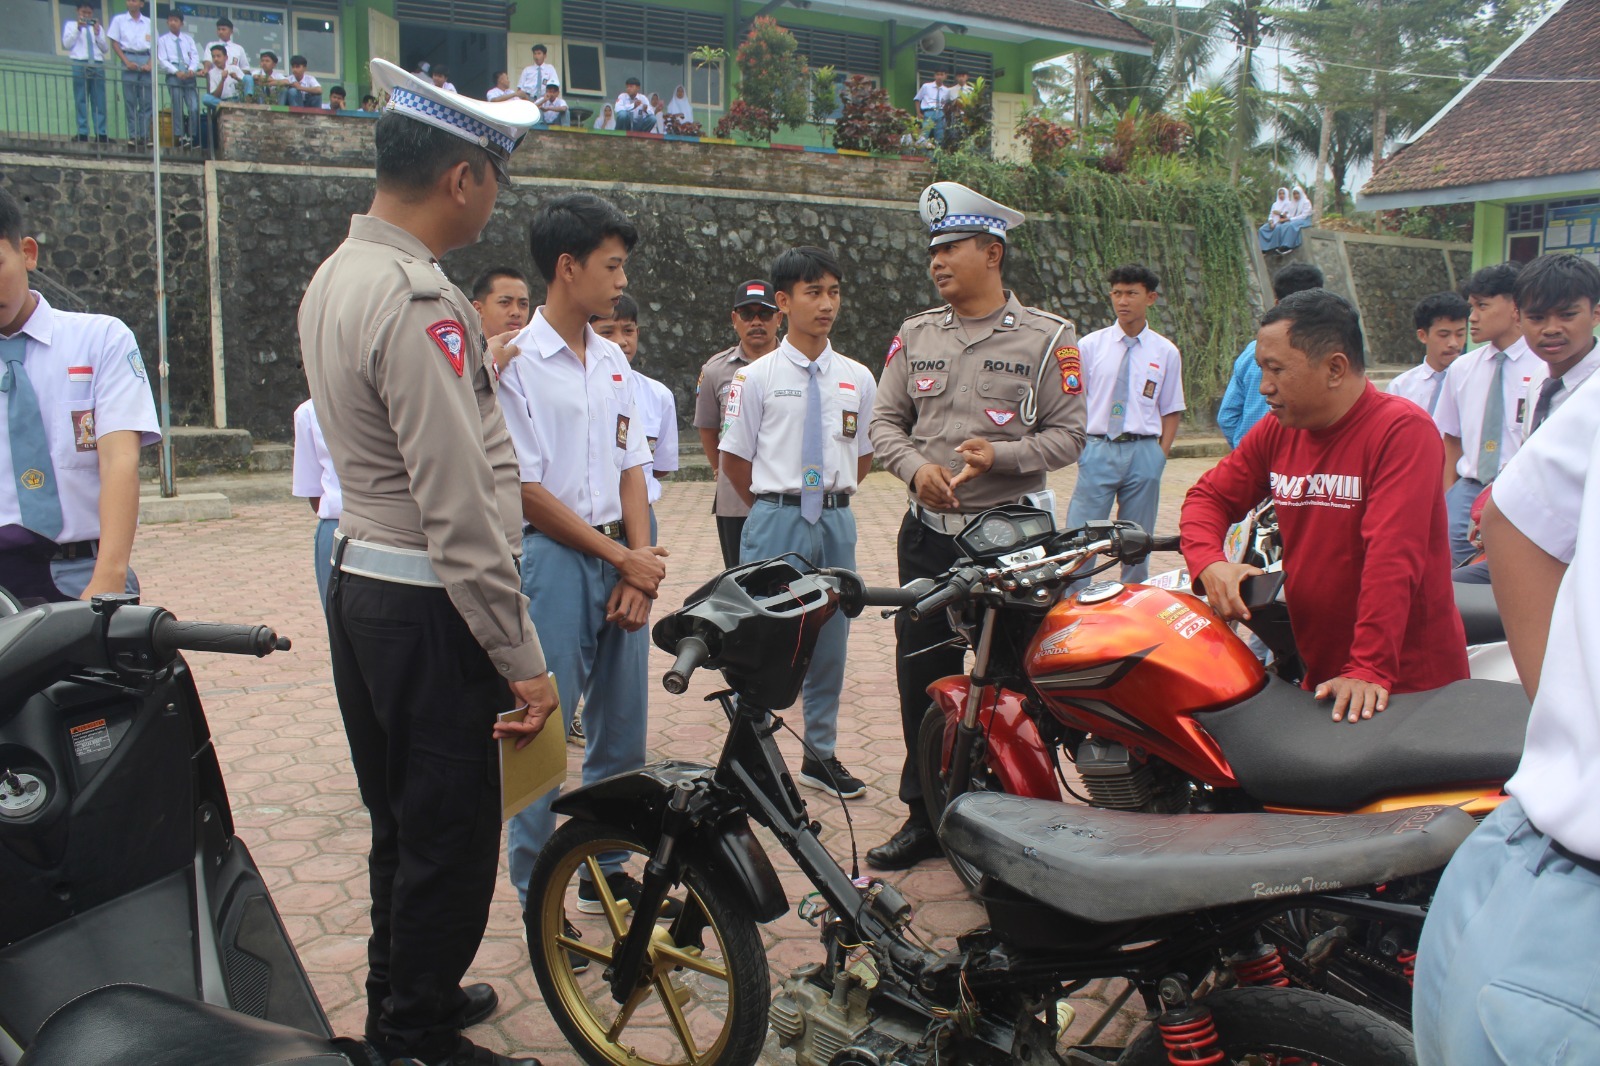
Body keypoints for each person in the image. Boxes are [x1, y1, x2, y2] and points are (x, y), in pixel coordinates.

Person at [297, 59, 550, 1066]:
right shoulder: (418, 300)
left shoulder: (339, 274)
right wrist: (520, 652)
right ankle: (416, 1037)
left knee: (401, 819)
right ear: (462, 179)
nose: (494, 196)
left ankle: (403, 993)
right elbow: (459, 507)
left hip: (364, 584)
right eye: (494, 175)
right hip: (430, 604)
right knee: (447, 835)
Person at [866, 181, 1087, 870]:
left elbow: (1070, 434)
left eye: (952, 247)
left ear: (993, 252)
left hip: (1012, 539)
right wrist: (911, 469)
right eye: (933, 249)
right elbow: (883, 424)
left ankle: (1019, 818)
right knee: (921, 668)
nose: (938, 260)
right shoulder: (915, 334)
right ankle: (924, 812)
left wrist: (1006, 454)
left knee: (1021, 681)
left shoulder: (1048, 338)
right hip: (929, 532)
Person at [1411, 363, 1600, 1066]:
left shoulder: (1397, 427)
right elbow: (1513, 517)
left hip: (1525, 862)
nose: (1270, 385)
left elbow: (1418, 551)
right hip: (1550, 889)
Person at [497, 192, 673, 923]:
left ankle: (607, 867)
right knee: (543, 724)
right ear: (567, 269)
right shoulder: (517, 365)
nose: (619, 280)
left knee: (621, 728)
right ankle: (536, 882)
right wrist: (622, 559)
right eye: (610, 265)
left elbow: (633, 464)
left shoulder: (611, 361)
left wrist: (639, 559)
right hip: (555, 560)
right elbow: (528, 491)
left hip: (616, 551)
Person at [1180, 288, 1468, 723]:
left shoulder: (1401, 431)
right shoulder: (1279, 430)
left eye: (1277, 369)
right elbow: (1209, 497)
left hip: (1404, 681)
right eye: (1261, 368)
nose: (1265, 387)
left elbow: (1391, 557)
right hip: (1328, 674)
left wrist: (1368, 666)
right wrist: (1209, 563)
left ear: (1335, 368)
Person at [720, 246, 876, 800]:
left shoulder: (857, 377)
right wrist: (776, 507)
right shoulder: (755, 377)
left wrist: (827, 499)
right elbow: (735, 461)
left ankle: (821, 755)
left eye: (834, 291)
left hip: (836, 522)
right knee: (763, 636)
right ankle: (752, 753)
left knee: (831, 636)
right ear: (784, 302)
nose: (826, 304)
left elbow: (862, 455)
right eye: (814, 292)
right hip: (777, 519)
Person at [0, 186, 160, 606]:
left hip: (79, 571)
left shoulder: (101, 339)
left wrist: (107, 578)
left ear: (27, 253)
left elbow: (119, 461)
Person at [1452, 255, 1600, 587]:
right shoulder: (1538, 381)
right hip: (1531, 544)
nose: (1551, 329)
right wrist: (1497, 505)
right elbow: (1527, 458)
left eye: (1567, 315)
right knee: (1445, 592)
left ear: (1596, 313)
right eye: (1537, 317)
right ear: (1519, 318)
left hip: (1581, 558)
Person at [1065, 263, 1184, 583]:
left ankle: (1134, 602)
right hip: (1098, 448)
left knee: (1137, 540)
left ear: (1151, 298)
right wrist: (1081, 447)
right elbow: (1074, 400)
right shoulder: (1090, 346)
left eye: (1132, 293)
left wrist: (1160, 455)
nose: (1122, 301)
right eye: (1116, 293)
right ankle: (1074, 607)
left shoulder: (1166, 352)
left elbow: (1171, 408)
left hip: (1143, 452)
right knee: (1081, 539)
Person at [1435, 263, 1545, 564]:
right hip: (1467, 490)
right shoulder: (1462, 369)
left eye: (1482, 306)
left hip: (1520, 490)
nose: (1473, 317)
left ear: (1515, 307)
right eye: (1471, 306)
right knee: (1453, 578)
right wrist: (1450, 496)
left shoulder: (1543, 366)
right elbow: (1450, 439)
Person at [695, 280, 781, 569]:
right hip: (735, 503)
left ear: (779, 318)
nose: (756, 322)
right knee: (740, 580)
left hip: (786, 497)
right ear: (735, 320)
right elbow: (708, 427)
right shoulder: (715, 370)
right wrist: (721, 468)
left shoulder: (798, 366)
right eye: (747, 314)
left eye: (765, 314)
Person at [592, 294, 678, 544]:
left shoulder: (658, 394)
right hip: (593, 523)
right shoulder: (575, 393)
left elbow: (659, 467)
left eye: (628, 331)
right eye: (607, 332)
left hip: (642, 516)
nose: (621, 342)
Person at [1216, 261, 1325, 448]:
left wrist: (1245, 449)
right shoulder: (1325, 353)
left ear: (1276, 303)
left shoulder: (1252, 351)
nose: (1267, 387)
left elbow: (1227, 416)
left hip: (1252, 458)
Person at [291, 398, 340, 607]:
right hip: (337, 526)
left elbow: (314, 494)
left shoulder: (311, 410)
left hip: (337, 523)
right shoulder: (309, 411)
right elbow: (314, 494)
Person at [1387, 291, 1469, 415]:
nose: (1453, 343)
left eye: (1460, 334)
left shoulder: (1474, 382)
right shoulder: (1400, 388)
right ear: (1422, 335)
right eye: (1444, 335)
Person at [107, 0, 153, 146]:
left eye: (135, 0)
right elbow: (114, 43)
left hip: (145, 57)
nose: (131, 3)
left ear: (141, 4)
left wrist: (150, 64)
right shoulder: (119, 20)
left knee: (146, 102)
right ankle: (133, 135)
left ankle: (145, 136)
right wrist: (126, 62)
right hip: (129, 57)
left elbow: (156, 45)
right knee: (130, 101)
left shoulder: (149, 22)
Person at [63, 3, 110, 143]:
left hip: (96, 63)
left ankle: (101, 133)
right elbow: (66, 44)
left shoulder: (98, 28)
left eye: (89, 13)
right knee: (81, 99)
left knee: (99, 100)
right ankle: (82, 132)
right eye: (84, 12)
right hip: (80, 62)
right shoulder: (71, 25)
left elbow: (105, 48)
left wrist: (97, 33)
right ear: (78, 11)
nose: (86, 15)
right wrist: (78, 28)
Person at [469, 265, 530, 368]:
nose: (516, 312)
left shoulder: (540, 357)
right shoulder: (464, 359)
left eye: (523, 304)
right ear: (478, 309)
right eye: (505, 302)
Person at [157, 11, 200, 148]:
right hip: (174, 75)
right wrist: (176, 72)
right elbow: (162, 60)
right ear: (167, 22)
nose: (172, 23)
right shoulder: (163, 40)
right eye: (170, 20)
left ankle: (192, 135)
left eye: (175, 20)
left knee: (193, 107)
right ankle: (180, 136)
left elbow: (195, 56)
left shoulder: (188, 39)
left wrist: (192, 69)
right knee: (177, 107)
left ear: (181, 23)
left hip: (188, 75)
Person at [204, 17, 251, 97]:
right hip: (217, 81)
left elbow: (245, 68)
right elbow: (207, 62)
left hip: (234, 84)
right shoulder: (211, 45)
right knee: (207, 98)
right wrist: (205, 70)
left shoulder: (238, 48)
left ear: (231, 31)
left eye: (223, 29)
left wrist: (237, 76)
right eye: (218, 29)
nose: (221, 32)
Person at [914, 70, 948, 144]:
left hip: (940, 113)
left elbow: (947, 105)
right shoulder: (926, 86)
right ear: (934, 76)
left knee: (940, 137)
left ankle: (937, 154)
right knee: (924, 135)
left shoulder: (947, 90)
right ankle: (922, 154)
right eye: (937, 74)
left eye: (942, 74)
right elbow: (917, 99)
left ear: (945, 76)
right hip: (929, 112)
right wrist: (918, 113)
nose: (939, 77)